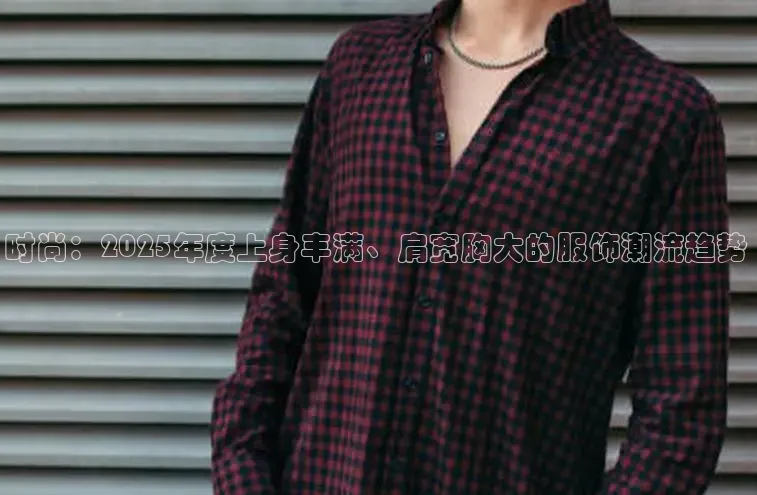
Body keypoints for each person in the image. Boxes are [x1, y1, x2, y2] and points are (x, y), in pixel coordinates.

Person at [210, 0, 730, 492]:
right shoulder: (359, 69)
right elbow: (282, 297)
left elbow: (681, 411)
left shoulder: (665, 116)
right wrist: (243, 471)